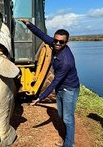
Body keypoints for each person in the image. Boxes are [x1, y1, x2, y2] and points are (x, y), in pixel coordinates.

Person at [19, 19, 80, 147]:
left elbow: (54, 82)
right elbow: (41, 34)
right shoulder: (53, 44)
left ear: (66, 42)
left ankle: (69, 144)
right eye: (55, 40)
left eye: (61, 42)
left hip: (69, 89)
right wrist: (28, 24)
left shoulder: (66, 61)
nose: (57, 43)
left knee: (68, 119)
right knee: (61, 115)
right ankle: (65, 138)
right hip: (60, 89)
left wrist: (39, 98)